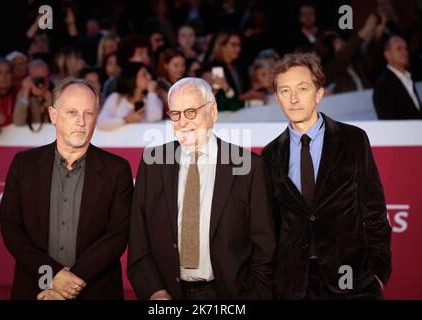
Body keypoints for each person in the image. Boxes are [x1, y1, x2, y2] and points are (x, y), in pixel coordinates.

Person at [128, 77, 275, 300]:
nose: (182, 122)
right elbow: (138, 239)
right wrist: (154, 292)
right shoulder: (153, 163)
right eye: (175, 114)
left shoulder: (249, 167)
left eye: (190, 111)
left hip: (229, 295)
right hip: (167, 295)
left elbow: (265, 245)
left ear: (213, 111)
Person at [261, 52, 392, 299]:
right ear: (277, 96)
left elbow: (374, 211)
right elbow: (270, 227)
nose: (293, 99)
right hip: (294, 287)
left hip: (352, 282)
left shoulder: (353, 140)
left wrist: (378, 273)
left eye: (302, 88)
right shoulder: (270, 155)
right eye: (284, 91)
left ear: (319, 93)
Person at [0, 78, 134, 300]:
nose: (81, 121)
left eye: (88, 114)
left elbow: (117, 235)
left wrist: (67, 283)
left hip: (96, 291)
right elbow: (11, 227)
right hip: (36, 289)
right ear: (53, 115)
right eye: (72, 112)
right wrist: (50, 276)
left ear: (96, 118)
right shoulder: (24, 164)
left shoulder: (117, 169)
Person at [97, 62, 163, 130]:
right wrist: (126, 120)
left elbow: (155, 120)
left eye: (148, 74)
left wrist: (151, 93)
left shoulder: (153, 99)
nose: (149, 77)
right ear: (133, 77)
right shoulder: (116, 98)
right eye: (144, 75)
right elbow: (101, 123)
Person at [373, 36, 422, 119]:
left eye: (405, 48)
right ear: (387, 54)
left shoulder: (408, 76)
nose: (404, 52)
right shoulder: (383, 85)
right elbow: (388, 121)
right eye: (399, 49)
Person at [13, 59, 52, 131]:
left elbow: (60, 122)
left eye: (43, 78)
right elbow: (18, 122)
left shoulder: (55, 91)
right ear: (29, 78)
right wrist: (25, 94)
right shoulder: (24, 93)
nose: (40, 83)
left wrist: (49, 99)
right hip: (31, 140)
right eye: (37, 78)